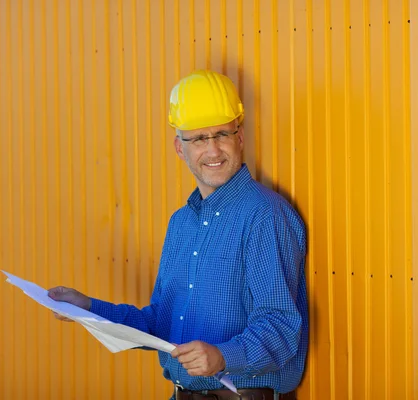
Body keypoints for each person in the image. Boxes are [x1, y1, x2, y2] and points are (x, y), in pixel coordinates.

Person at [48, 70, 308, 400]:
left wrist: (224, 356)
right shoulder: (181, 223)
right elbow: (161, 322)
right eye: (199, 139)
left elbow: (282, 328)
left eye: (222, 134)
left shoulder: (264, 215)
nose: (213, 150)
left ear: (239, 137)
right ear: (179, 147)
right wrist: (87, 308)